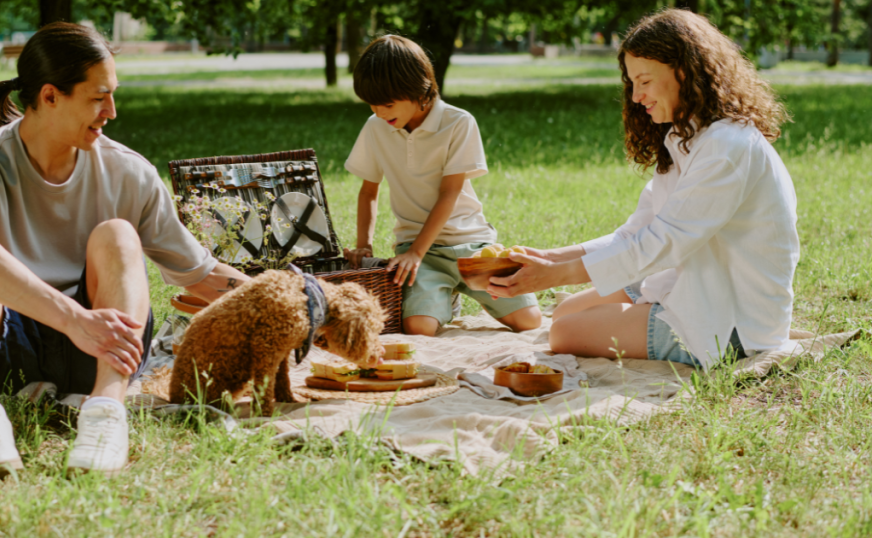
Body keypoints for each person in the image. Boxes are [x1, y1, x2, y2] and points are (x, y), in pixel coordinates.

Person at [0, 22, 249, 480]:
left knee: (119, 234)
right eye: (98, 97)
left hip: (106, 348)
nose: (112, 111)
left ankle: (105, 414)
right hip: (17, 347)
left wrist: (288, 297)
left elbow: (199, 273)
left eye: (113, 95)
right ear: (50, 96)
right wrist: (73, 320)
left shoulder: (128, 171)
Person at [487, 9, 798, 369]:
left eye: (645, 81)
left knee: (564, 332)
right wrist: (550, 258)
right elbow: (637, 232)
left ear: (684, 70)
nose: (636, 96)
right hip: (688, 282)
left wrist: (556, 275)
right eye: (632, 83)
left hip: (730, 323)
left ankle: (656, 316)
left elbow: (665, 241)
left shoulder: (727, 147)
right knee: (565, 310)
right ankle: (646, 307)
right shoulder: (684, 136)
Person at [342, 35, 542, 337]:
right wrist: (364, 245)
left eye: (387, 103)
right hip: (418, 250)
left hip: (472, 246)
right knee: (419, 328)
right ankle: (443, 294)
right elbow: (369, 191)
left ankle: (452, 290)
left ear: (418, 90)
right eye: (372, 104)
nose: (379, 112)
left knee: (529, 321)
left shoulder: (458, 123)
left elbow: (449, 194)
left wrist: (416, 255)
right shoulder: (375, 127)